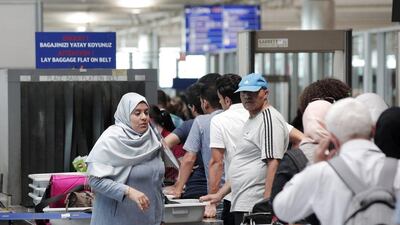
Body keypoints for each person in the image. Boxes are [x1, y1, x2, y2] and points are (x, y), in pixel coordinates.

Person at [273, 98, 400, 225]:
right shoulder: (397, 169)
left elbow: (282, 209)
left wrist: (314, 166)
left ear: (333, 139)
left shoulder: (321, 173)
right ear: (373, 131)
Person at [86, 93, 165, 225]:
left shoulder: (153, 139)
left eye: (146, 112)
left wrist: (160, 217)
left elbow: (157, 184)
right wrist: (128, 191)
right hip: (115, 219)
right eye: (137, 113)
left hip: (148, 219)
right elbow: (94, 180)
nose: (144, 117)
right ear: (125, 115)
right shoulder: (111, 139)